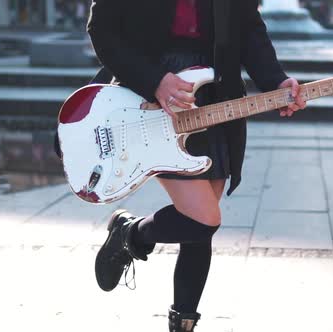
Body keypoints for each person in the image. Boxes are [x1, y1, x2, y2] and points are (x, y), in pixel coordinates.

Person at [87, 1, 306, 331]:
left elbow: (247, 26)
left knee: (198, 232)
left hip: (215, 89)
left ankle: (182, 321)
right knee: (203, 218)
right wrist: (154, 80)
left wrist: (276, 80)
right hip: (148, 95)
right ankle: (130, 233)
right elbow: (101, 28)